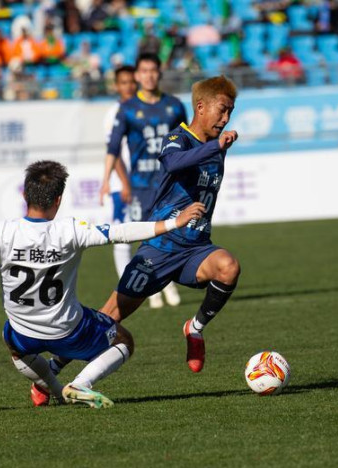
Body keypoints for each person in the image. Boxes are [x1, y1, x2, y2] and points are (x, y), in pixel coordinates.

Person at [0, 161, 205, 408]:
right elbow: (120, 232)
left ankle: (52, 386)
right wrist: (173, 222)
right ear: (58, 199)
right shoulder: (70, 230)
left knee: (10, 338)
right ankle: (80, 382)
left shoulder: (2, 232)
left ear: (24, 195)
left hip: (22, 333)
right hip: (68, 330)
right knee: (124, 339)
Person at [97, 75, 241, 374]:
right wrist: (216, 147)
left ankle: (194, 329)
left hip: (195, 249)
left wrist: (217, 146)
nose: (226, 118)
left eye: (230, 111)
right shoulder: (177, 138)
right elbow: (174, 163)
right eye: (222, 110)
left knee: (228, 267)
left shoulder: (217, 145)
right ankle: (52, 368)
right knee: (108, 318)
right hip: (160, 248)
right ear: (200, 107)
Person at [100, 53, 187, 309]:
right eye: (144, 71)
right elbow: (113, 148)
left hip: (170, 183)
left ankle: (165, 281)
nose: (149, 75)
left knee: (170, 234)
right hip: (140, 185)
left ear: (159, 73)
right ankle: (152, 287)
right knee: (143, 236)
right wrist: (106, 180)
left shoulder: (174, 106)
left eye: (153, 70)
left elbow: (188, 141)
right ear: (138, 75)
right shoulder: (126, 109)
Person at [102, 65, 135, 282]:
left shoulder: (143, 109)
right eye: (124, 82)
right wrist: (125, 183)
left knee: (156, 232)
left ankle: (160, 286)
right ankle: (127, 287)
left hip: (145, 182)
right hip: (121, 185)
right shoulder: (114, 113)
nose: (129, 86)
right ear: (116, 86)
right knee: (123, 236)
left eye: (132, 82)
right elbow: (113, 152)